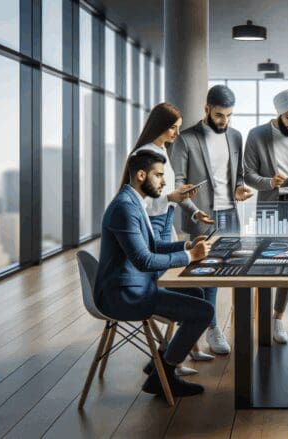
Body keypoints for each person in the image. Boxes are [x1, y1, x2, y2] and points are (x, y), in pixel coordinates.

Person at [95, 149, 214, 398]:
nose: (163, 182)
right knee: (205, 311)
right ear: (141, 175)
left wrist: (186, 247)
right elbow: (143, 260)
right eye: (159, 175)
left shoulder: (134, 202)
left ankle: (159, 362)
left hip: (133, 287)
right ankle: (164, 376)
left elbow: (148, 247)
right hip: (125, 295)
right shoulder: (125, 209)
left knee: (197, 293)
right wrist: (190, 258)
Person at [118, 102, 217, 369]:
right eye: (173, 128)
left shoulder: (162, 150)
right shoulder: (145, 154)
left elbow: (169, 192)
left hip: (165, 220)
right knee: (177, 284)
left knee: (187, 285)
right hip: (154, 221)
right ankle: (172, 356)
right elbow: (147, 200)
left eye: (178, 128)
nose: (176, 133)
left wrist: (195, 212)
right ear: (160, 125)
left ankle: (186, 350)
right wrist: (172, 197)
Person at [171, 85, 254, 357]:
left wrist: (240, 188)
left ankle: (203, 329)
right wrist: (194, 211)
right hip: (200, 217)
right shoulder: (185, 139)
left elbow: (237, 176)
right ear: (206, 109)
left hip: (230, 214)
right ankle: (210, 328)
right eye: (219, 115)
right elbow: (178, 184)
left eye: (229, 115)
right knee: (203, 275)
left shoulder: (236, 137)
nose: (224, 121)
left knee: (222, 274)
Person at [244, 89, 288, 343]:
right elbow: (248, 174)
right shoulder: (256, 135)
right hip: (269, 205)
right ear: (278, 112)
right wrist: (269, 182)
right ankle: (264, 317)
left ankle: (277, 317)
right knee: (265, 262)